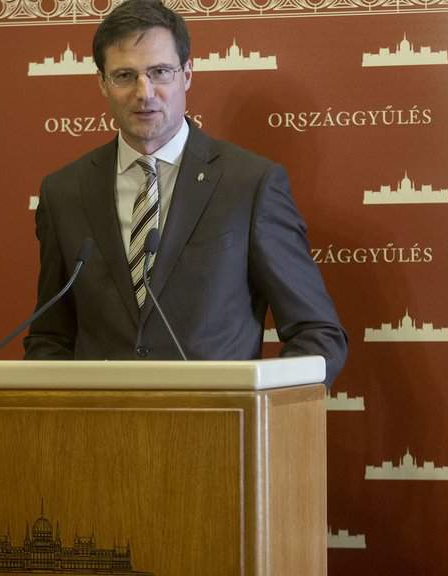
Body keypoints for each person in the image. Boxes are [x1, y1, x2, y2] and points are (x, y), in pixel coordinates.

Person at [23, 0, 347, 385]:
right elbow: (50, 337)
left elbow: (317, 334)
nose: (144, 92)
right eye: (125, 76)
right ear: (102, 83)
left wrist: (265, 404)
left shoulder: (249, 184)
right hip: (102, 420)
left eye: (160, 72)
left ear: (187, 74)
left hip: (222, 418)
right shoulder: (64, 192)